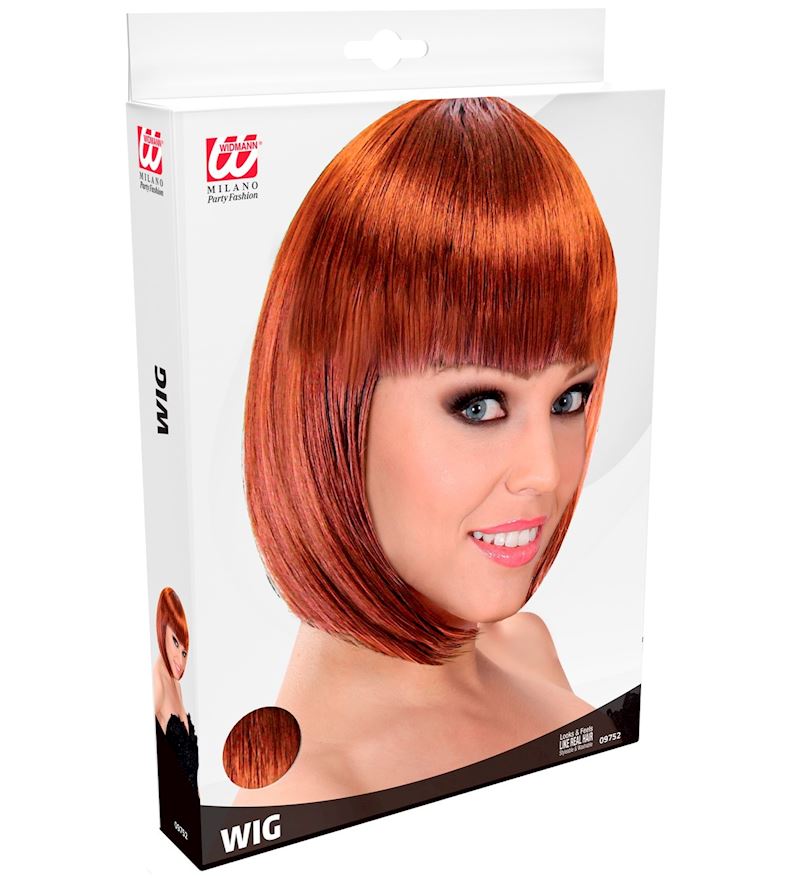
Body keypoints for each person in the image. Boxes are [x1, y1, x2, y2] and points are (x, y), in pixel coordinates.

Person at [236, 97, 616, 803]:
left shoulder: (523, 645)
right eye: (479, 406)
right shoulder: (308, 797)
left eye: (568, 400)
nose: (545, 473)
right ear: (332, 407)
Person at [153, 587, 198, 791]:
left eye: (185, 653)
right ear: (162, 630)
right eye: (175, 641)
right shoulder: (157, 683)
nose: (181, 659)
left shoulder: (176, 686)